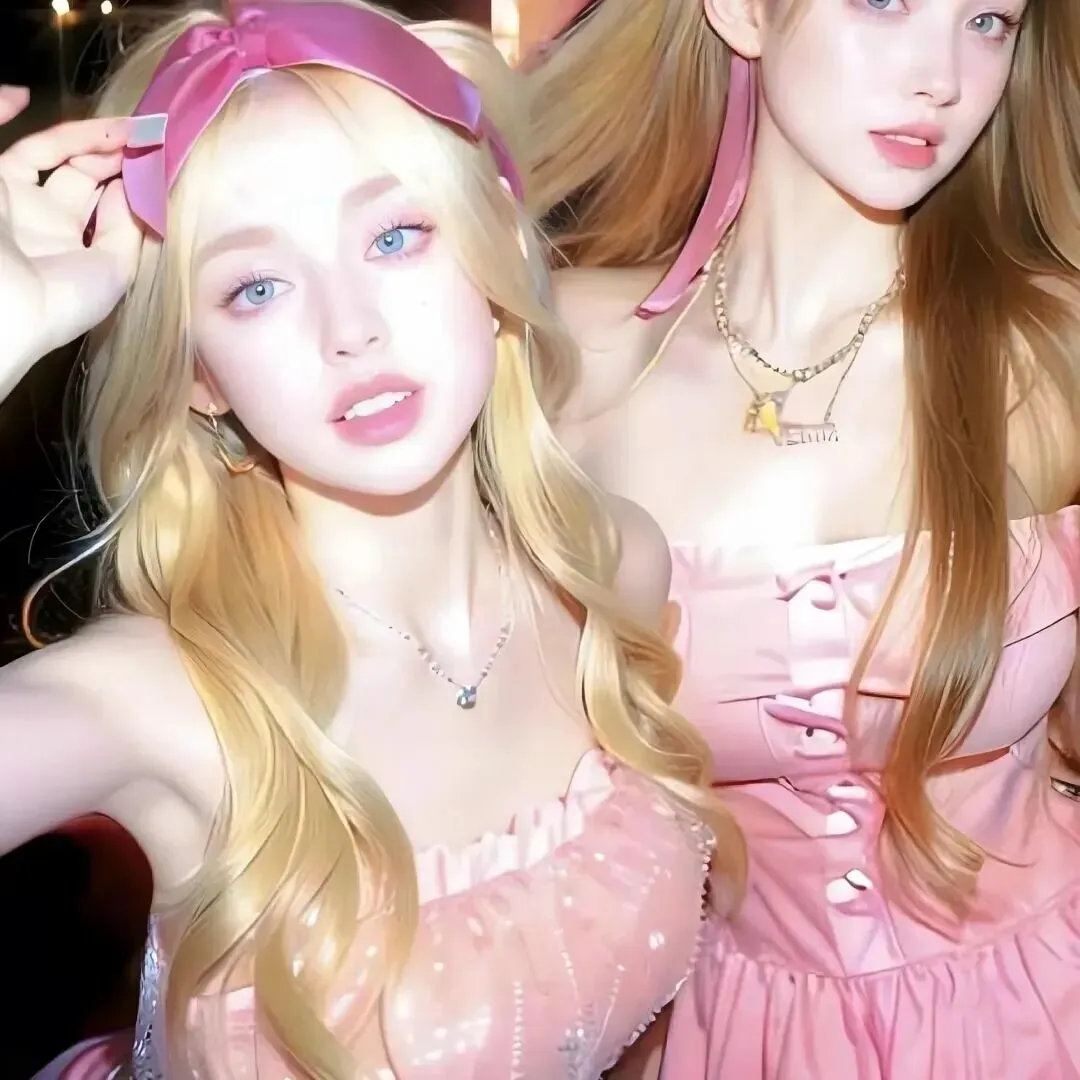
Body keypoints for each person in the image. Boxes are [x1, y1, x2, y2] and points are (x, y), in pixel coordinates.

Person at [0, 2, 745, 1077]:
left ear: (495, 255)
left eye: (395, 238)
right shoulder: (157, 703)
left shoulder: (613, 571)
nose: (349, 328)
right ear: (202, 376)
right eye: (257, 288)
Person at [525, 0, 1080, 1077]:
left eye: (987, 20)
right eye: (885, 1)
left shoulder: (1045, 352)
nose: (942, 77)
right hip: (735, 1039)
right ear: (743, 11)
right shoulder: (566, 359)